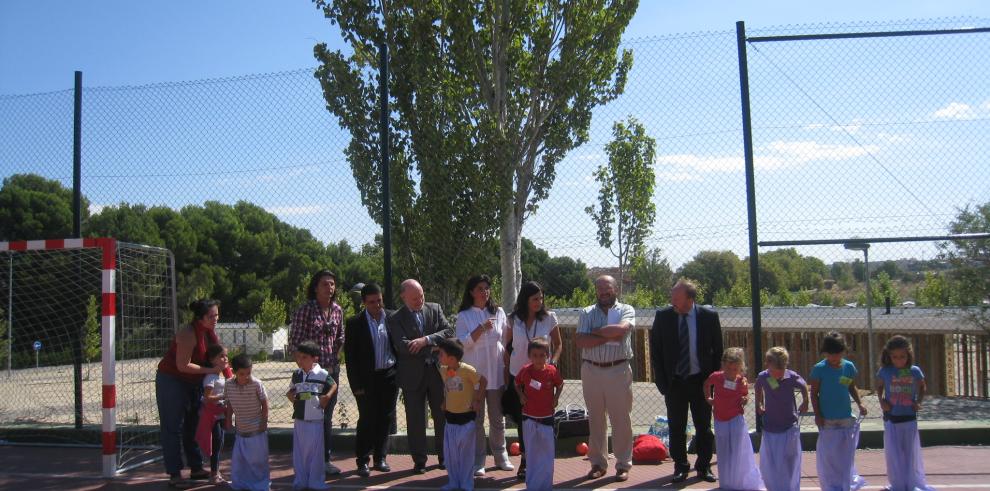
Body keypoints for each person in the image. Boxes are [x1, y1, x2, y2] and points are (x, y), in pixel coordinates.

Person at [649, 279, 722, 483]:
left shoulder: (708, 317)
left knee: (704, 427)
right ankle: (680, 466)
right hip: (675, 382)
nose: (672, 302)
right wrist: (662, 383)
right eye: (672, 297)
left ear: (690, 299)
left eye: (677, 298)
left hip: (701, 381)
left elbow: (718, 350)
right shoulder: (663, 316)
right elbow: (656, 350)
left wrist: (713, 380)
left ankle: (704, 466)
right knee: (676, 427)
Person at [155, 299, 226, 489]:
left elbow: (218, 360)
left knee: (193, 424)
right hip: (172, 379)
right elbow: (182, 365)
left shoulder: (211, 333)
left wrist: (231, 377)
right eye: (211, 316)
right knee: (172, 426)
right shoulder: (187, 332)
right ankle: (175, 473)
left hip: (194, 382)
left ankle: (196, 468)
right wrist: (210, 371)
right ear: (201, 317)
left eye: (217, 315)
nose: (215, 319)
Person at [387, 278, 455, 473]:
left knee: (442, 415)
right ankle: (419, 460)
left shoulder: (434, 309)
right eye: (415, 298)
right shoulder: (395, 318)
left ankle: (444, 456)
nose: (420, 300)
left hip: (436, 373)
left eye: (422, 296)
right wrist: (434, 347)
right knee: (415, 419)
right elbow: (403, 346)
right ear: (403, 297)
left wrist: (425, 341)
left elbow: (448, 331)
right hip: (412, 376)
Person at [575, 275, 635, 482]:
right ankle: (598, 464)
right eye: (599, 288)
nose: (603, 292)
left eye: (607, 288)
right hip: (591, 370)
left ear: (615, 289)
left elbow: (620, 332)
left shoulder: (626, 310)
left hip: (618, 369)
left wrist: (595, 333)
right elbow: (581, 341)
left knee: (621, 419)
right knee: (596, 419)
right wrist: (606, 334)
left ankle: (623, 464)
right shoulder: (586, 312)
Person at [288, 270, 346, 475]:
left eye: (332, 284)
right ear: (315, 287)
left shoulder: (338, 310)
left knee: (326, 416)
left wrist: (334, 360)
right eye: (324, 284)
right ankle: (307, 460)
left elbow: (341, 338)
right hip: (309, 374)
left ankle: (324, 459)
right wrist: (306, 368)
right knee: (308, 415)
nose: (329, 288)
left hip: (330, 372)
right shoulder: (305, 310)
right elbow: (295, 342)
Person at [454, 275, 513, 476]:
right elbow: (463, 343)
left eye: (487, 288)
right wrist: (481, 328)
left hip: (495, 374)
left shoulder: (499, 312)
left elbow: (505, 340)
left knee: (497, 418)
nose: (484, 292)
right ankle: (478, 460)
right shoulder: (464, 316)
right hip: (475, 377)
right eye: (480, 288)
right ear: (471, 292)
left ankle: (500, 455)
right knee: (476, 420)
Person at [503, 281, 562, 480]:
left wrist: (551, 364)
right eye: (535, 299)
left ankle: (542, 460)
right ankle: (525, 461)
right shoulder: (513, 319)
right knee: (523, 419)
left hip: (543, 378)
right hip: (519, 377)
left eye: (541, 298)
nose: (539, 302)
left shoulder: (549, 318)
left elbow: (559, 344)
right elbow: (506, 347)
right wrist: (508, 373)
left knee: (542, 419)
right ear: (525, 300)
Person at [344, 283, 399, 477]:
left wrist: (397, 373)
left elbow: (399, 346)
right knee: (367, 419)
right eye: (372, 302)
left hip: (389, 376)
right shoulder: (354, 323)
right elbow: (350, 357)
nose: (377, 305)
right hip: (366, 380)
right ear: (364, 303)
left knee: (385, 418)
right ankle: (362, 461)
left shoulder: (393, 318)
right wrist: (356, 385)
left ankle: (380, 458)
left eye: (379, 300)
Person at [809, 331, 867, 491]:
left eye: (838, 353)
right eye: (830, 354)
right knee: (829, 455)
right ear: (825, 353)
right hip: (827, 419)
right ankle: (831, 485)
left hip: (845, 417)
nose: (834, 357)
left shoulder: (848, 367)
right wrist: (818, 415)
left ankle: (845, 482)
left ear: (844, 351)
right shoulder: (819, 369)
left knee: (846, 454)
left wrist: (860, 403)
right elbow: (814, 393)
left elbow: (850, 386)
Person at [875, 335, 933, 491]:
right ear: (889, 356)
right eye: (895, 357)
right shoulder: (885, 371)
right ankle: (897, 484)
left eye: (902, 356)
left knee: (910, 453)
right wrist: (882, 402)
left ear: (909, 355)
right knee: (894, 453)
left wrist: (919, 401)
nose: (899, 360)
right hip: (891, 418)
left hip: (908, 418)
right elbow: (879, 387)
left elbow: (922, 386)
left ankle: (912, 482)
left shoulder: (914, 371)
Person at [704, 347, 764, 490]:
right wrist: (708, 397)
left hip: (736, 419)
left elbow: (746, 395)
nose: (731, 372)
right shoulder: (716, 377)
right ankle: (727, 482)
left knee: (738, 450)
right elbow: (706, 385)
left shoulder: (741, 381)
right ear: (723, 365)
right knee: (724, 450)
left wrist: (745, 399)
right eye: (728, 368)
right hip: (720, 419)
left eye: (735, 369)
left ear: (740, 368)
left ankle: (739, 480)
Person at [755, 346, 809, 491]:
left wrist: (806, 400)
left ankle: (790, 486)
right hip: (770, 426)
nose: (777, 376)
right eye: (774, 373)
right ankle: (774, 486)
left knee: (790, 459)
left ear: (786, 366)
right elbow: (758, 393)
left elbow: (804, 386)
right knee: (771, 462)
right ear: (767, 364)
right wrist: (759, 405)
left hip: (789, 425)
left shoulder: (791, 376)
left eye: (781, 373)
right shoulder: (763, 377)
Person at [514, 338, 563, 491]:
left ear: (547, 356)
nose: (538, 359)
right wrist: (521, 395)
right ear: (530, 356)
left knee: (547, 454)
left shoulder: (552, 371)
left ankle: (546, 485)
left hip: (546, 418)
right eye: (535, 355)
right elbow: (516, 383)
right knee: (532, 453)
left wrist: (555, 398)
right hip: (529, 417)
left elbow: (560, 385)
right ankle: (532, 485)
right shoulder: (525, 370)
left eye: (542, 355)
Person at [437, 338, 485, 491]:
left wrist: (477, 400)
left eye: (441, 354)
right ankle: (453, 482)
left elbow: (483, 381)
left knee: (465, 455)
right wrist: (445, 401)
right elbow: (447, 387)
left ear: (451, 358)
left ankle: (466, 483)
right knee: (451, 456)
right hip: (450, 419)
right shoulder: (443, 369)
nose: (439, 357)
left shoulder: (467, 370)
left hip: (466, 420)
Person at [287, 341, 336, 491]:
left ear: (314, 358)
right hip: (300, 419)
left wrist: (327, 397)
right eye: (299, 357)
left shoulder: (322, 374)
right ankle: (300, 480)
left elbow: (333, 384)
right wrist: (290, 395)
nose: (300, 360)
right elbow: (291, 390)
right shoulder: (297, 374)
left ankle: (315, 481)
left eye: (304, 357)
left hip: (315, 419)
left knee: (315, 453)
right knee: (300, 452)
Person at [224, 353, 270, 491]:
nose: (246, 377)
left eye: (249, 373)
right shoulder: (228, 385)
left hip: (256, 429)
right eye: (242, 374)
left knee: (258, 461)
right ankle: (241, 483)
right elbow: (230, 404)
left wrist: (264, 421)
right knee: (240, 461)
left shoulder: (257, 384)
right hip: (241, 430)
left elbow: (265, 403)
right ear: (234, 372)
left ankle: (260, 485)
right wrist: (228, 420)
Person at [195, 344, 232, 485]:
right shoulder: (211, 377)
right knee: (216, 445)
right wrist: (224, 396)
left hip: (220, 414)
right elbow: (207, 397)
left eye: (226, 356)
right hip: (213, 416)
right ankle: (214, 474)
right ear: (212, 360)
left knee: (220, 443)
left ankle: (215, 471)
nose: (225, 358)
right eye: (221, 356)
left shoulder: (220, 375)